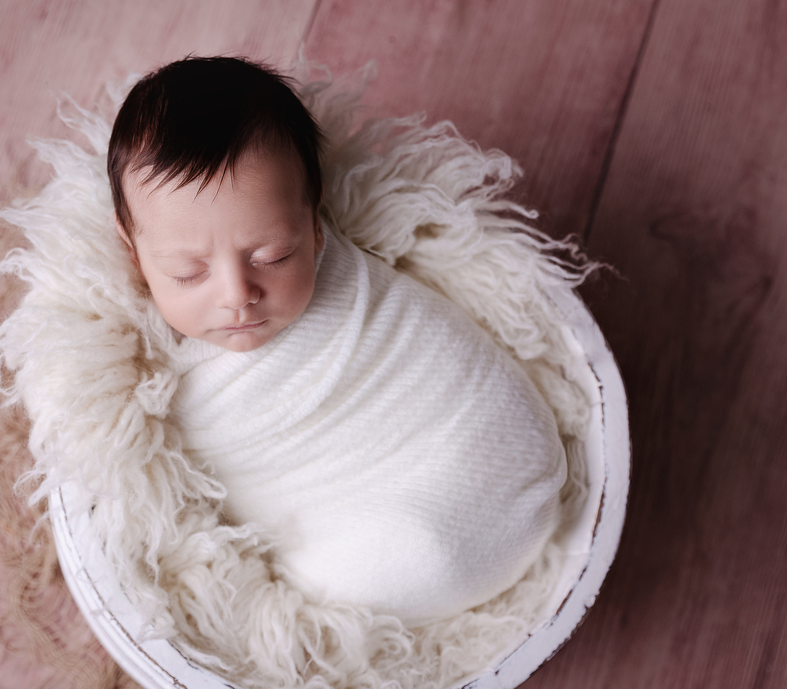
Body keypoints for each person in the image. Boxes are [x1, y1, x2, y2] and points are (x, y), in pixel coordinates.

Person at [107, 56, 565, 625]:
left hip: (486, 452)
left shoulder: (351, 290)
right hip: (393, 512)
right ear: (133, 252)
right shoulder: (127, 359)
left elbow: (430, 356)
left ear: (315, 222)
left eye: (274, 256)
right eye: (186, 272)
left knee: (405, 559)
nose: (238, 294)